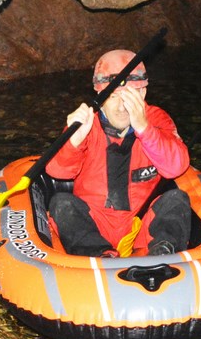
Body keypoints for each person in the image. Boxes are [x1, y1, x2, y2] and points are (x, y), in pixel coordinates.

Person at [46, 49, 193, 258]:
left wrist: (144, 129)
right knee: (61, 203)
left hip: (140, 226)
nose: (122, 107)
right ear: (100, 95)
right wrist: (74, 140)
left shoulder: (156, 119)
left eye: (129, 97)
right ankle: (99, 254)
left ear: (142, 93)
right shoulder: (87, 122)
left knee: (176, 199)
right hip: (93, 224)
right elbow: (58, 171)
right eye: (114, 96)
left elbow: (176, 166)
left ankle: (162, 254)